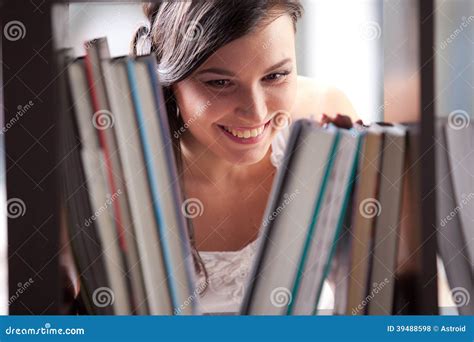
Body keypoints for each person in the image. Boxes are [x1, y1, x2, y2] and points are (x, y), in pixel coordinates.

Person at [128, 1, 362, 315]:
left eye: (276, 75)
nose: (256, 112)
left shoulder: (325, 117)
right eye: (219, 83)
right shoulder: (122, 163)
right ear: (169, 80)